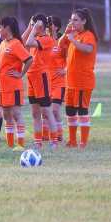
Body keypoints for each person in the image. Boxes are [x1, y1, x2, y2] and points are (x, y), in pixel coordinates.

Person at [58, 8, 98, 148]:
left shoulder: (88, 35)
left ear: (84, 21)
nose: (72, 22)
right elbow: (60, 45)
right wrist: (66, 33)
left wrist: (73, 40)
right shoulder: (73, 34)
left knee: (82, 110)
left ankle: (83, 142)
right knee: (70, 110)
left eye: (75, 19)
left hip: (83, 81)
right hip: (71, 81)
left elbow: (88, 49)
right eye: (71, 19)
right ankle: (72, 140)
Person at [0, 16, 33, 151]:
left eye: (0, 27)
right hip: (2, 86)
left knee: (16, 114)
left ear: (7, 28)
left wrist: (21, 74)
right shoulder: (3, 43)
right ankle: (10, 144)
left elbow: (29, 59)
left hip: (13, 87)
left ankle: (21, 144)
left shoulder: (16, 44)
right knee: (6, 114)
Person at [23, 14, 58, 149]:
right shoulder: (34, 36)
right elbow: (21, 41)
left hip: (41, 76)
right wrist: (29, 26)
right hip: (31, 77)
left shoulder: (47, 39)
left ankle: (54, 140)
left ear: (41, 26)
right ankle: (38, 142)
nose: (32, 27)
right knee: (35, 113)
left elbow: (28, 43)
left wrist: (35, 27)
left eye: (34, 24)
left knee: (46, 111)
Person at [48, 15, 66, 145]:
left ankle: (59, 135)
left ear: (57, 27)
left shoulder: (62, 41)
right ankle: (46, 135)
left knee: (54, 110)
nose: (48, 25)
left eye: (51, 23)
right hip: (46, 81)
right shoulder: (43, 40)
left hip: (59, 81)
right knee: (46, 111)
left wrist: (66, 70)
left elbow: (72, 57)